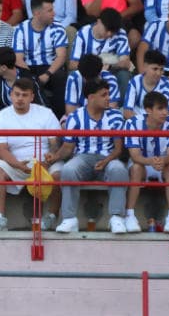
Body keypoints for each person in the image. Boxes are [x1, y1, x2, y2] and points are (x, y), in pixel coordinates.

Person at [50, 80, 127, 233]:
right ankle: (69, 219)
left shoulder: (116, 116)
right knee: (68, 169)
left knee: (119, 169)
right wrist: (54, 157)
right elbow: (68, 147)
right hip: (83, 157)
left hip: (108, 157)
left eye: (108, 94)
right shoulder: (75, 117)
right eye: (103, 95)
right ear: (91, 97)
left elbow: (118, 149)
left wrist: (105, 161)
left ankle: (117, 218)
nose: (108, 98)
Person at [0, 78, 60, 231]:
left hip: (44, 161)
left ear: (32, 97)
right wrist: (17, 165)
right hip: (15, 162)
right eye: (17, 94)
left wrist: (51, 157)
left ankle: (51, 216)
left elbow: (55, 142)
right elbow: (1, 149)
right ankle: (0, 217)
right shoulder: (2, 116)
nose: (20, 99)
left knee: (59, 174)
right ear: (11, 95)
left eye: (24, 95)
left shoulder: (46, 113)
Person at [123, 92, 169, 233]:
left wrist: (162, 161)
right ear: (148, 110)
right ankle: (130, 215)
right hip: (143, 164)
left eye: (166, 108)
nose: (165, 112)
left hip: (166, 164)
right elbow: (135, 156)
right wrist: (151, 161)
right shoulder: (133, 123)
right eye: (160, 108)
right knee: (136, 168)